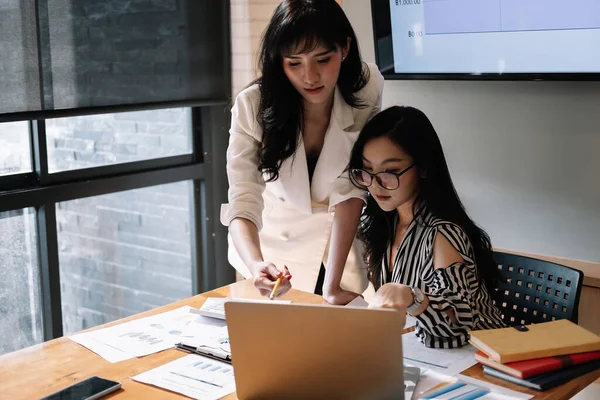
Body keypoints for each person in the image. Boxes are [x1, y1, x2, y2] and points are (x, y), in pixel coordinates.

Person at [220, 0, 384, 304]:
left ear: (344, 49)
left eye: (322, 59)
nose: (310, 76)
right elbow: (243, 199)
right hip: (270, 252)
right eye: (294, 63)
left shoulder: (367, 87)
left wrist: (332, 285)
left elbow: (352, 188)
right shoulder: (252, 106)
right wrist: (256, 265)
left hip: (339, 247)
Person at [348, 106, 506, 348]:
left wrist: (412, 297)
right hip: (423, 355)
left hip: (480, 361)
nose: (376, 184)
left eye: (390, 171)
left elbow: (457, 325)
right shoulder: (382, 224)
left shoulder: (442, 233)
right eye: (368, 170)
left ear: (423, 167)